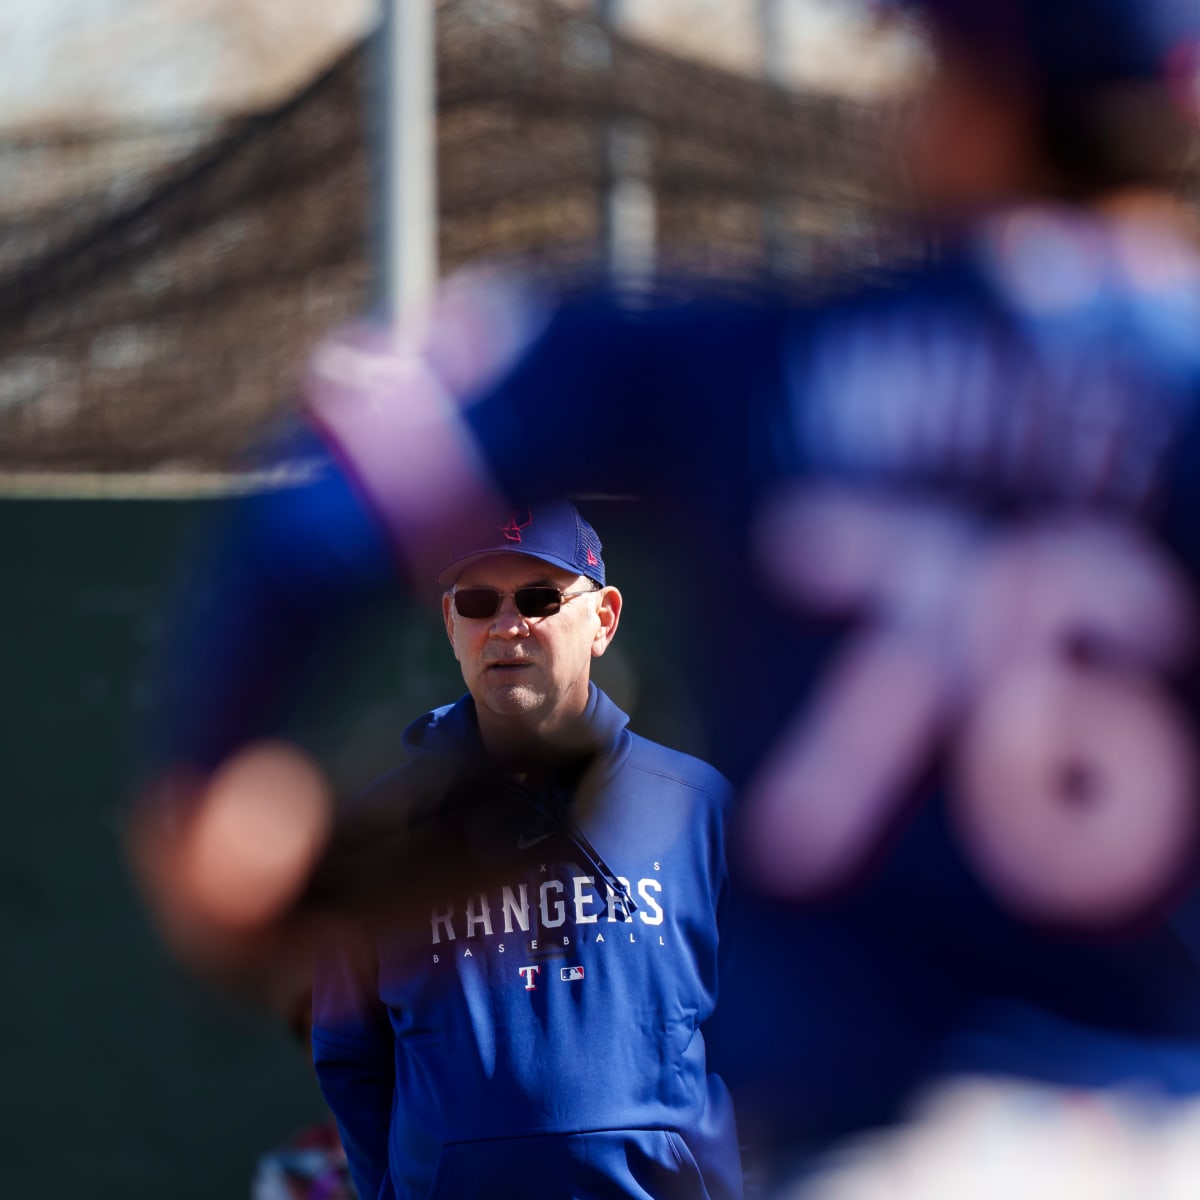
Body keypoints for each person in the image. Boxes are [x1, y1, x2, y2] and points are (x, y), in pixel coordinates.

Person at [131, 0, 1200, 1191]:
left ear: (988, 96)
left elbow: (316, 512)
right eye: (477, 601)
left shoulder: (767, 362)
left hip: (900, 1143)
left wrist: (207, 775)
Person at [307, 500, 743, 1200]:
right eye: (480, 602)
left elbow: (769, 1042)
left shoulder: (699, 808)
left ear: (602, 620)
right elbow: (350, 1056)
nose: (508, 626)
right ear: (452, 625)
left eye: (540, 597)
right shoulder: (383, 828)